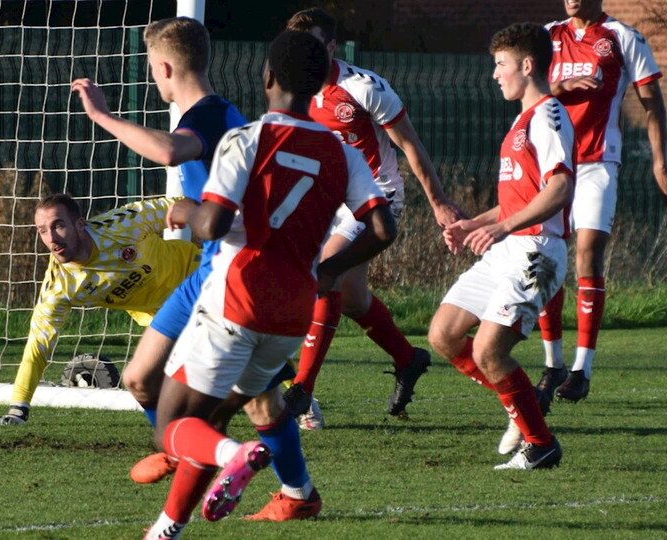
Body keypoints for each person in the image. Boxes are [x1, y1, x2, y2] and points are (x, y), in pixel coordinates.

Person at [142, 30, 396, 539]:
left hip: (236, 300)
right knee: (224, 415)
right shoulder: (342, 152)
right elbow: (384, 228)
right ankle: (167, 528)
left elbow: (213, 225)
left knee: (172, 427)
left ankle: (234, 455)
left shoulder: (246, 139)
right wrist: (328, 271)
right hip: (293, 314)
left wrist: (185, 210)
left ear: (268, 77)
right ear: (318, 85)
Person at [72, 17, 328, 521]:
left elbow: (170, 150)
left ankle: (291, 492)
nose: (153, 77)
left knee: (255, 401)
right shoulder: (214, 113)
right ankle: (188, 453)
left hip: (230, 276)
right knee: (141, 379)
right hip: (208, 273)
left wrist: (101, 116)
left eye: (152, 68)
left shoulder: (210, 115)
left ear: (165, 68)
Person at [283, 7, 466, 420]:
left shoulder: (363, 87)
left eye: (314, 45)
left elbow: (410, 144)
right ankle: (408, 358)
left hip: (375, 196)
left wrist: (438, 201)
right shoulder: (294, 90)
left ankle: (302, 391)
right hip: (326, 200)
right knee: (353, 299)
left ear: (332, 46)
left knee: (326, 271)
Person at [427, 22, 575, 470]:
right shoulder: (521, 120)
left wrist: (504, 227)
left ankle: (540, 444)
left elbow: (560, 188)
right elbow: (519, 198)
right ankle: (522, 404)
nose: (494, 74)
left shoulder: (549, 115)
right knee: (444, 334)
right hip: (509, 248)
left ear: (527, 66)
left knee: (488, 351)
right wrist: (475, 223)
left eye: (501, 64)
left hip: (537, 251)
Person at [535, 0, 667, 403]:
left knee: (587, 254)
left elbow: (652, 101)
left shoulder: (623, 37)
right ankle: (553, 364)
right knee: (547, 257)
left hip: (598, 162)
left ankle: (582, 370)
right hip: (551, 162)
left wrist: (660, 160)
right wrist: (561, 88)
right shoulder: (547, 36)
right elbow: (525, 90)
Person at [0, 194, 200, 425]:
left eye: (58, 226)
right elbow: (38, 347)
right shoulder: (60, 288)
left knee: (212, 378)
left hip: (200, 279)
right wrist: (18, 408)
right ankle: (173, 435)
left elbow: (180, 204)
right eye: (42, 231)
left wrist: (219, 227)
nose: (51, 238)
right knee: (139, 381)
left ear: (80, 225)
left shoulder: (123, 225)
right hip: (164, 319)